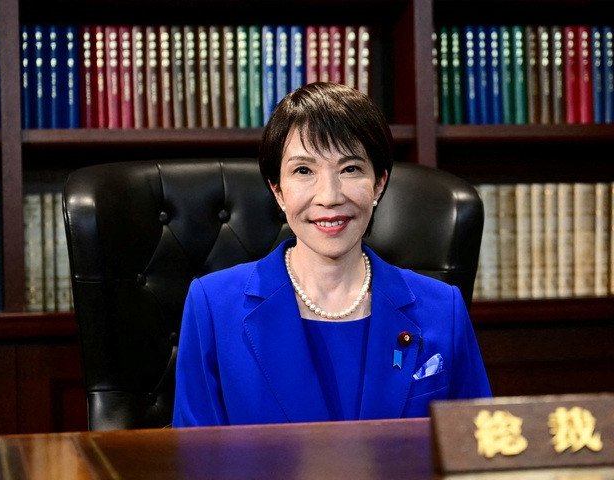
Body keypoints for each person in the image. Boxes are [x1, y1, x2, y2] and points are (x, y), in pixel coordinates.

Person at [172, 82, 491, 427]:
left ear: (379, 184)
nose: (329, 196)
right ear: (278, 190)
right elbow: (196, 452)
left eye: (350, 169)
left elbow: (477, 446)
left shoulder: (443, 308)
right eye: (303, 171)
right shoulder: (213, 305)